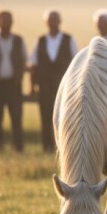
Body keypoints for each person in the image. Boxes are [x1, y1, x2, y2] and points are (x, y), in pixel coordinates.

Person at [30, 9, 78, 153]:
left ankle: (64, 146)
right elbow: (33, 64)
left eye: (55, 20)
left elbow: (75, 63)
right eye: (50, 20)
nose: (53, 23)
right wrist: (32, 86)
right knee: (45, 117)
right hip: (44, 87)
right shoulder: (40, 41)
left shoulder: (69, 40)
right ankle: (47, 147)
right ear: (46, 23)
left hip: (63, 87)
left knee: (65, 117)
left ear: (60, 22)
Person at [0, 10, 27, 153]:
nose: (5, 24)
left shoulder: (19, 40)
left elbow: (25, 58)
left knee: (16, 117)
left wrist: (19, 76)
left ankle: (18, 147)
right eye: (3, 20)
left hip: (13, 84)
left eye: (8, 20)